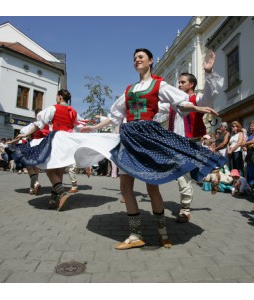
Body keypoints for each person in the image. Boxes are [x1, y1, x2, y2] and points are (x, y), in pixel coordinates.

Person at [80, 48, 226, 250]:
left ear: (150, 61)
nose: (136, 60)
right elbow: (115, 116)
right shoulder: (129, 90)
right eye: (134, 58)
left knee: (152, 186)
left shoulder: (159, 85)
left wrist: (198, 108)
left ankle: (162, 232)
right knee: (125, 187)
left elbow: (182, 102)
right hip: (129, 137)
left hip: (147, 136)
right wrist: (94, 127)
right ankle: (135, 234)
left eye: (140, 57)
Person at [156, 51, 223, 223]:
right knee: (185, 175)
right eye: (178, 82)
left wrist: (208, 72)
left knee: (183, 176)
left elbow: (210, 95)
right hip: (176, 145)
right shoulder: (173, 104)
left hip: (192, 143)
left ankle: (185, 209)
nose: (179, 85)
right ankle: (211, 178)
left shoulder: (196, 99)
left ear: (191, 84)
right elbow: (155, 106)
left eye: (182, 82)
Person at [13, 89, 83, 209]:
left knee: (49, 169)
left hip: (56, 140)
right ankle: (53, 199)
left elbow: (39, 124)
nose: (56, 98)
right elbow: (80, 126)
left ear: (60, 97)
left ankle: (62, 193)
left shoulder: (53, 108)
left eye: (57, 96)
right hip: (67, 142)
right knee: (59, 172)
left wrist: (25, 134)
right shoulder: (73, 111)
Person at [242, 121, 254, 185]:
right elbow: (244, 143)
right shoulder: (249, 135)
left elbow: (253, 141)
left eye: (252, 126)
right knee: (249, 170)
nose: (250, 127)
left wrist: (244, 144)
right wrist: (244, 146)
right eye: (250, 126)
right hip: (249, 153)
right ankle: (249, 184)